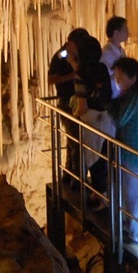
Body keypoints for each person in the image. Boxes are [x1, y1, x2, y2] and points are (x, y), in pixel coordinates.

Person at [109, 57, 138, 244]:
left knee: (134, 193)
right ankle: (131, 225)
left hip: (136, 152)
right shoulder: (130, 94)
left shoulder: (134, 98)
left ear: (133, 78)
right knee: (129, 191)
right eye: (116, 76)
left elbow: (120, 119)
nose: (117, 79)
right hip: (131, 150)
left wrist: (107, 105)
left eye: (120, 76)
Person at [72, 35, 113, 205]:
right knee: (104, 157)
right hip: (107, 117)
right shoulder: (102, 68)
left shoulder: (80, 73)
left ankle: (102, 197)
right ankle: (101, 193)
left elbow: (82, 105)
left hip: (91, 120)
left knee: (93, 159)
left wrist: (74, 115)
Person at [48, 28, 91, 184]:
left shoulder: (80, 55)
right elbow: (51, 79)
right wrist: (72, 76)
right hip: (67, 103)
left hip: (80, 103)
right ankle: (78, 180)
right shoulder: (61, 56)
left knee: (73, 141)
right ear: (72, 43)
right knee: (77, 142)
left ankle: (69, 174)